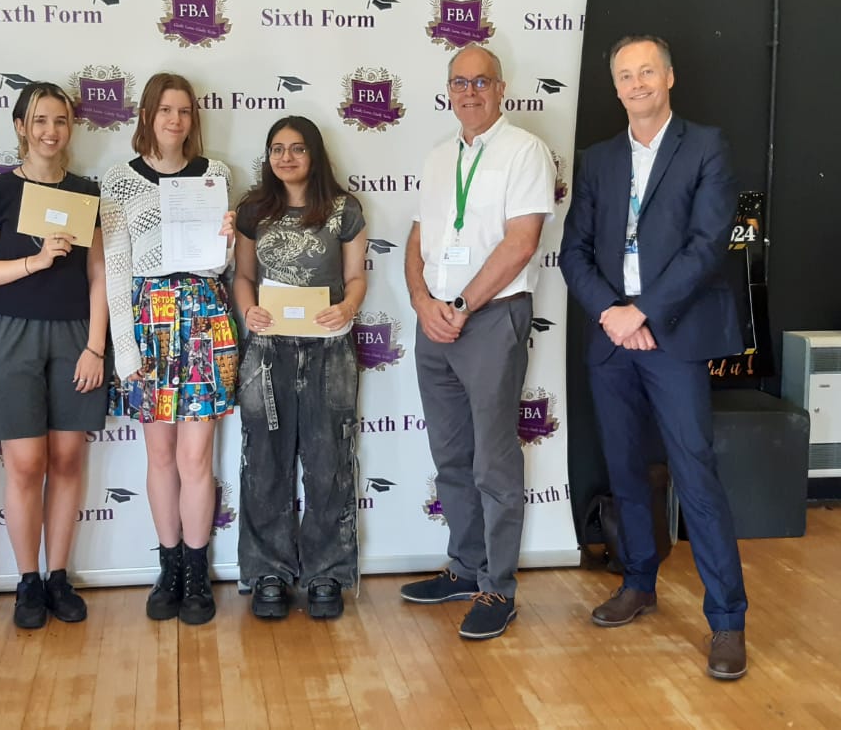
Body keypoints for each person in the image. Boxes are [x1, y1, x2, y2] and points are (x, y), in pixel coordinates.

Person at [559, 35, 749, 680]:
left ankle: (726, 621)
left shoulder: (705, 146)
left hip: (673, 331)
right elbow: (573, 252)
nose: (636, 83)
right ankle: (638, 581)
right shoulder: (599, 159)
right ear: (614, 87)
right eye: (624, 75)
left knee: (695, 475)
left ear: (669, 77)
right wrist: (613, 313)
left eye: (647, 71)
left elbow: (707, 244)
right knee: (624, 469)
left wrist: (643, 312)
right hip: (612, 335)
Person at [399, 44, 555, 641]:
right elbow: (417, 240)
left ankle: (498, 588)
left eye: (480, 81)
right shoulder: (438, 157)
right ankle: (465, 569)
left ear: (500, 88)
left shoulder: (525, 151)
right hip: (434, 320)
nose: (469, 92)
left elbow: (521, 242)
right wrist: (421, 302)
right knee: (451, 457)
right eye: (458, 82)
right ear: (448, 90)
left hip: (489, 320)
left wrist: (462, 306)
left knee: (493, 461)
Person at [0, 82, 106, 628]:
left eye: (61, 121)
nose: (51, 131)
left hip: (75, 335)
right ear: (22, 126)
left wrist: (96, 346)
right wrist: (36, 262)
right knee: (26, 464)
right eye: (40, 120)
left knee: (68, 459)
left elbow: (98, 274)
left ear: (71, 129)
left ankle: (58, 576)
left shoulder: (84, 190)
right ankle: (27, 581)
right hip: (9, 333)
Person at [100, 72, 237, 626]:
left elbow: (221, 266)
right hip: (147, 321)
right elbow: (113, 270)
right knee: (159, 457)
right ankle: (170, 566)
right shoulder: (119, 181)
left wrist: (226, 240)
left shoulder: (217, 174)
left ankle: (198, 572)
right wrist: (125, 350)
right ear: (147, 117)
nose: (175, 120)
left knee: (196, 456)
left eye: (184, 111)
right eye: (165, 110)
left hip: (204, 317)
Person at [232, 116, 368, 621]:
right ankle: (269, 571)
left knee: (327, 460)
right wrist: (248, 311)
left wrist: (348, 309)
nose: (285, 158)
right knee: (265, 461)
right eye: (276, 149)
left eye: (296, 148)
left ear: (315, 154)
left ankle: (326, 572)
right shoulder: (253, 210)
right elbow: (243, 275)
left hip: (329, 348)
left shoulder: (343, 210)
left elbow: (356, 277)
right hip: (267, 351)